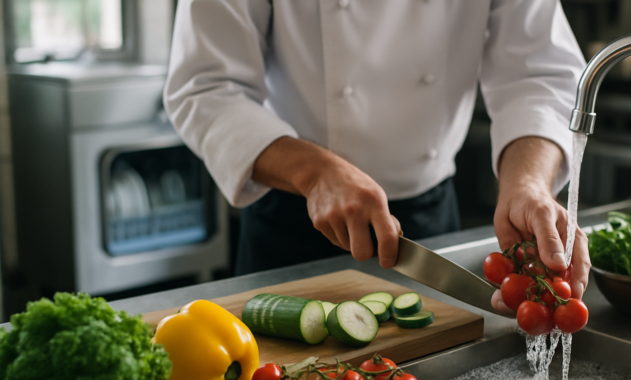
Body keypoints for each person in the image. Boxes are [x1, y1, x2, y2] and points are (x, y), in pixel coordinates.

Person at [164, 0, 592, 310]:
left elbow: (539, 74)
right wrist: (314, 172)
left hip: (427, 228)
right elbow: (205, 87)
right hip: (293, 229)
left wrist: (527, 183)